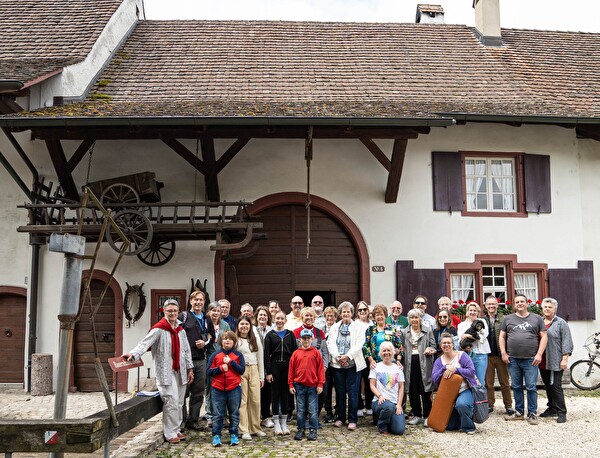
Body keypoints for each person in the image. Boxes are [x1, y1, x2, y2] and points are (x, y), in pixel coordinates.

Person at [123, 299, 193, 444]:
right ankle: (170, 432)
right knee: (171, 401)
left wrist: (190, 368)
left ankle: (177, 429)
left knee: (179, 402)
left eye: (175, 311)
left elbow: (186, 350)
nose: (172, 313)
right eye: (169, 311)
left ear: (178, 312)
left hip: (181, 371)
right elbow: (144, 343)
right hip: (165, 371)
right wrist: (133, 354)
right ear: (164, 312)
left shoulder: (181, 329)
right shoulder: (159, 329)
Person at [500, 294, 547, 425]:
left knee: (531, 387)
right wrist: (504, 353)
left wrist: (539, 354)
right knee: (516, 386)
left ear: (527, 303)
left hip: (531, 359)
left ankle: (532, 413)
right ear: (514, 304)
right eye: (517, 302)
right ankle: (519, 412)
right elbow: (502, 336)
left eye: (522, 301)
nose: (520, 303)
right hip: (513, 359)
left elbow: (544, 336)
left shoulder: (536, 318)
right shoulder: (508, 319)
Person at [326, 301, 366, 431]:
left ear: (352, 313)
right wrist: (338, 357)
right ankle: (340, 417)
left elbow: (360, 343)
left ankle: (352, 419)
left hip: (353, 365)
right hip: (338, 365)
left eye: (348, 312)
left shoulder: (358, 327)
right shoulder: (335, 327)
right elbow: (330, 343)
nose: (346, 314)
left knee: (353, 393)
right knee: (339, 392)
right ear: (340, 314)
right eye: (344, 312)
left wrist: (348, 356)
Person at [431, 333, 478, 434]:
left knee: (462, 404)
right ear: (440, 345)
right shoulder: (439, 361)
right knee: (451, 427)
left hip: (464, 389)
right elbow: (434, 378)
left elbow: (471, 372)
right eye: (444, 343)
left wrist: (455, 370)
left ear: (453, 344)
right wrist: (445, 368)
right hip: (448, 394)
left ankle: (469, 427)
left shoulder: (461, 355)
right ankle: (460, 418)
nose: (446, 345)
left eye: (448, 343)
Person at [206, 331, 245, 447]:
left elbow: (241, 370)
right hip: (218, 389)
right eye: (225, 339)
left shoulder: (238, 355)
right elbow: (209, 371)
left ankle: (233, 434)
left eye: (230, 339)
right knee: (218, 414)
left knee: (234, 413)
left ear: (234, 342)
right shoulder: (215, 355)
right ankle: (216, 435)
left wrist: (231, 363)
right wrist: (221, 368)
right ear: (220, 341)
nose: (227, 341)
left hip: (234, 389)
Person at [178, 290, 209, 431]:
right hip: (185, 360)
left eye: (201, 300)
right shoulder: (183, 316)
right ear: (191, 301)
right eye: (195, 300)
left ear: (204, 302)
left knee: (198, 392)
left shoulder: (206, 318)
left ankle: (193, 420)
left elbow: (211, 336)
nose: (198, 302)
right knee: (183, 392)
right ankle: (181, 421)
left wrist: (205, 343)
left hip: (201, 359)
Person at [539, 297, 573, 423]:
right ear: (542, 309)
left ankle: (561, 412)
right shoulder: (540, 322)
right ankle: (552, 408)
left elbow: (567, 342)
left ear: (555, 309)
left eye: (550, 307)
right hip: (542, 360)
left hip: (555, 360)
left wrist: (565, 359)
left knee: (556, 386)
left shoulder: (560, 323)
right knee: (548, 385)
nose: (547, 309)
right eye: (545, 307)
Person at [264, 310, 297, 435]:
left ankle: (284, 423)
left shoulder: (290, 334)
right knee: (275, 395)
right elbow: (267, 355)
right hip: (275, 366)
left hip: (288, 367)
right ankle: (276, 423)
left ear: (285, 320)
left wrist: (294, 372)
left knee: (286, 395)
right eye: (277, 318)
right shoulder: (270, 335)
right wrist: (268, 372)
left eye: (282, 318)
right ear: (274, 319)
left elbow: (295, 354)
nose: (280, 321)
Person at [289, 328, 325, 441]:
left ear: (312, 339)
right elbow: (291, 370)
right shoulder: (295, 354)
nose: (306, 340)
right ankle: (300, 429)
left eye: (308, 338)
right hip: (299, 385)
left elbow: (320, 370)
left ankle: (313, 429)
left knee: (312, 409)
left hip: (312, 386)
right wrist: (291, 384)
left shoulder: (316, 353)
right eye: (303, 338)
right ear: (299, 340)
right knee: (300, 409)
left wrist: (320, 384)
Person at [293, 307, 330, 419]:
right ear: (302, 317)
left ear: (314, 318)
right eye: (306, 316)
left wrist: (324, 366)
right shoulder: (296, 332)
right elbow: (294, 353)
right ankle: (303, 418)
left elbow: (325, 352)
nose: (308, 318)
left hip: (318, 370)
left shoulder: (320, 333)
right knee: (302, 395)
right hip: (302, 371)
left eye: (311, 316)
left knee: (321, 394)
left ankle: (314, 417)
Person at [402, 309, 436, 426]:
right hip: (410, 363)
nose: (414, 320)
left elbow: (433, 345)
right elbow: (401, 349)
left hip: (424, 362)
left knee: (425, 388)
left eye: (416, 317)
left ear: (421, 319)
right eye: (412, 318)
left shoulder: (427, 331)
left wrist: (429, 349)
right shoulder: (404, 332)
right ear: (409, 320)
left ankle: (427, 415)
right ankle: (416, 414)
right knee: (413, 389)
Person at [236, 316, 265, 440]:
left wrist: (261, 376)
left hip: (254, 369)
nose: (244, 326)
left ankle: (255, 427)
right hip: (241, 371)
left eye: (246, 324)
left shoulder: (254, 339)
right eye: (242, 324)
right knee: (243, 400)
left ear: (250, 326)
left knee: (255, 400)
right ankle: (244, 429)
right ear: (238, 326)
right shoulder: (236, 340)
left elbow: (260, 358)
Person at [484, 296, 514, 415]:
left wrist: (507, 352)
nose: (491, 306)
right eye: (489, 304)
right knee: (488, 383)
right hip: (487, 356)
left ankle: (508, 405)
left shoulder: (504, 319)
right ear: (485, 306)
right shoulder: (482, 320)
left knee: (505, 382)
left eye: (493, 304)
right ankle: (490, 404)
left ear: (497, 305)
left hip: (501, 356)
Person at [369, 341, 406, 435]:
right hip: (379, 401)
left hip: (394, 402)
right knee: (389, 407)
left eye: (389, 350)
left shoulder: (398, 368)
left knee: (399, 430)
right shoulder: (376, 367)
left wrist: (399, 404)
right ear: (380, 353)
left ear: (392, 352)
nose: (386, 353)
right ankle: (382, 425)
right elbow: (372, 385)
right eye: (384, 351)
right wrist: (380, 396)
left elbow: (401, 388)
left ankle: (388, 419)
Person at [205, 301, 231, 427]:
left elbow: (230, 341)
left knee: (224, 387)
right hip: (209, 359)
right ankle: (210, 415)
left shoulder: (225, 325)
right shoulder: (205, 324)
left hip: (223, 360)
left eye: (218, 311)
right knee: (211, 388)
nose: (216, 313)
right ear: (208, 312)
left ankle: (222, 415)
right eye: (213, 310)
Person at [457, 302, 490, 385]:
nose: (472, 312)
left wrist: (467, 335)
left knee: (480, 380)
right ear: (467, 312)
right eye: (470, 310)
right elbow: (460, 339)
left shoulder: (482, 321)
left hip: (481, 354)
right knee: (468, 381)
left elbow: (484, 335)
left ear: (478, 312)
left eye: (475, 310)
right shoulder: (462, 325)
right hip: (467, 355)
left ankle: (481, 398)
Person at [254, 305, 274, 428]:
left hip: (268, 365)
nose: (262, 317)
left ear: (268, 318)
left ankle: (265, 416)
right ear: (256, 317)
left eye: (265, 315)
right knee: (255, 394)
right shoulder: (252, 330)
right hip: (255, 365)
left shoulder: (272, 331)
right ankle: (255, 417)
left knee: (267, 393)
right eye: (260, 314)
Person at [354, 300, 372, 415]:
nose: (362, 312)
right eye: (360, 310)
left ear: (368, 311)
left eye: (364, 309)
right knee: (356, 382)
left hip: (369, 357)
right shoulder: (354, 324)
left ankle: (369, 406)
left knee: (369, 381)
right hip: (357, 356)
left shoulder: (372, 324)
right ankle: (359, 406)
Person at [322, 305, 338, 422]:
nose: (330, 318)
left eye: (332, 316)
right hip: (325, 363)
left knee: (338, 387)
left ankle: (338, 410)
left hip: (336, 362)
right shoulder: (321, 330)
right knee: (326, 388)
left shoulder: (338, 328)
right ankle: (328, 411)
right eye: (328, 316)